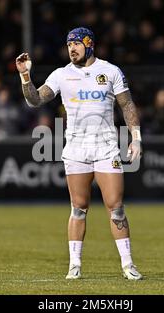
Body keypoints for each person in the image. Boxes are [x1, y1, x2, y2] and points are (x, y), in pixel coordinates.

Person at [16, 27, 143, 280]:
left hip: (106, 146)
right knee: (78, 208)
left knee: (116, 208)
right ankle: (74, 265)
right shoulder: (62, 75)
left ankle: (128, 265)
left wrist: (136, 138)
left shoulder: (110, 71)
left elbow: (127, 104)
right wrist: (25, 77)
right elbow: (35, 100)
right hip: (75, 149)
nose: (71, 48)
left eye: (76, 44)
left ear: (89, 44)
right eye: (68, 44)